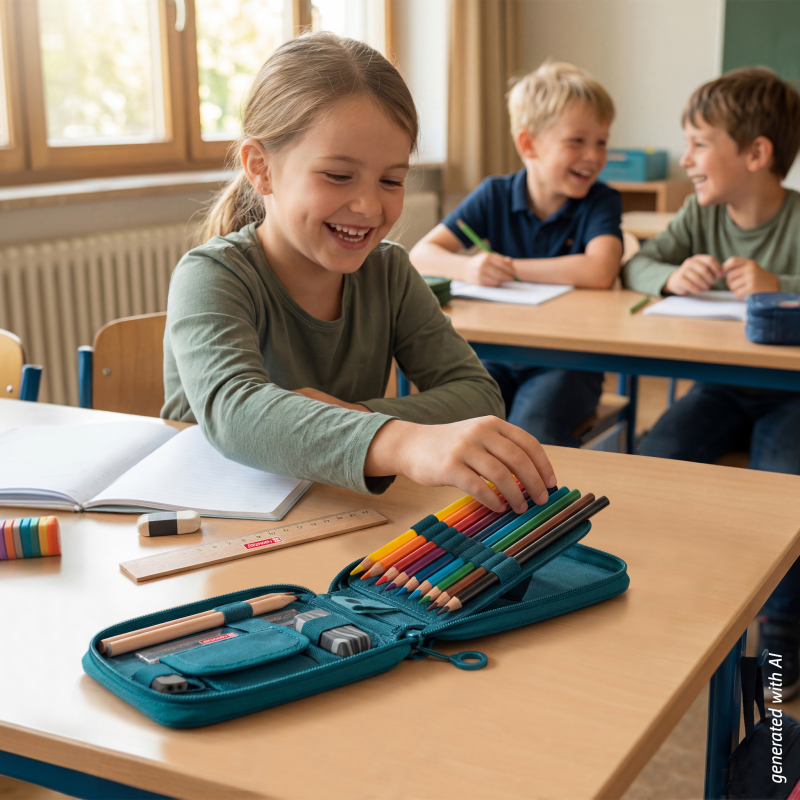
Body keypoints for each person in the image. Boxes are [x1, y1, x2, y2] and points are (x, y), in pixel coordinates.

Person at [161, 32, 556, 517]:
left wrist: (359, 418)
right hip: (213, 530)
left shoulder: (388, 271)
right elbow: (235, 413)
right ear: (261, 168)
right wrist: (402, 441)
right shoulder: (212, 274)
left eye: (392, 180)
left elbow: (478, 394)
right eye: (338, 175)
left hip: (338, 519)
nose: (370, 205)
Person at [623, 67, 800, 696]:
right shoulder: (702, 218)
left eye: (700, 143)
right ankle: (671, 596)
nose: (686, 158)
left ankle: (782, 639)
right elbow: (637, 262)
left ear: (756, 154)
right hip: (723, 387)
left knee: (787, 500)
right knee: (655, 458)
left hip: (792, 398)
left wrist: (784, 291)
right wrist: (671, 279)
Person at [410, 62, 623, 447]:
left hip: (570, 363)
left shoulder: (601, 201)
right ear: (528, 145)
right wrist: (470, 267)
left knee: (528, 432)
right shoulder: (494, 194)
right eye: (577, 141)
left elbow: (601, 269)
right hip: (494, 357)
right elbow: (420, 255)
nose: (593, 155)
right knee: (458, 424)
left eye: (601, 142)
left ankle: (538, 508)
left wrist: (510, 269)